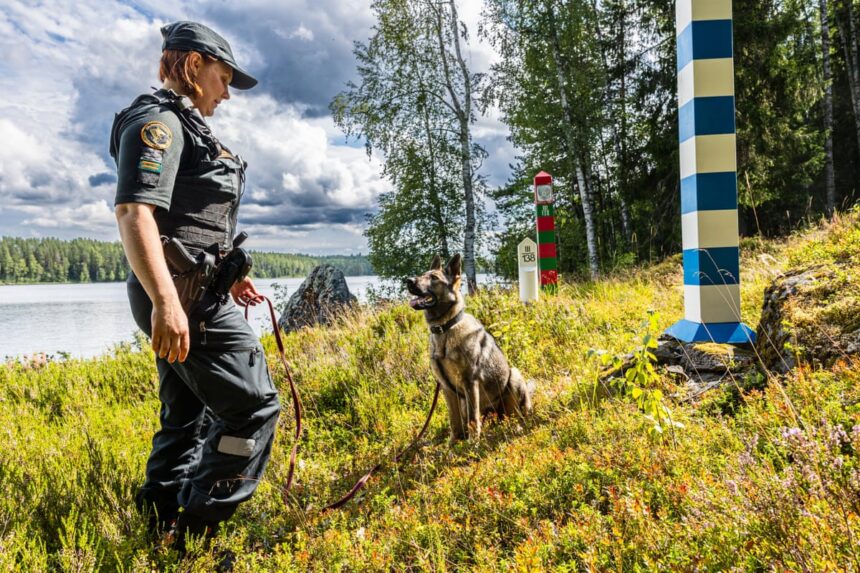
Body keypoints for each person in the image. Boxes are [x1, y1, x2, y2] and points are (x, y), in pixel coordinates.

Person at [110, 21, 280, 550]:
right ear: (192, 64)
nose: (227, 93)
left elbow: (189, 223)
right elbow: (134, 211)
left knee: (186, 415)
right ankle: (198, 530)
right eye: (223, 78)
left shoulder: (188, 125)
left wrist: (231, 276)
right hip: (181, 298)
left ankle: (159, 521)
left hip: (193, 293)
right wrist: (166, 302)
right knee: (252, 406)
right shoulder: (157, 123)